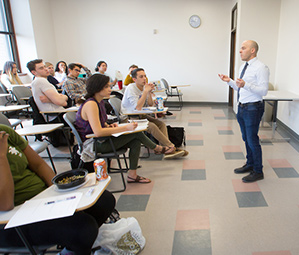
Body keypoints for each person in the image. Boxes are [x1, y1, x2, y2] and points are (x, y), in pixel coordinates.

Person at [0, 124, 116, 255]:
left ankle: (73, 246)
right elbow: (5, 204)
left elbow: (38, 165)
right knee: (83, 228)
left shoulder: (5, 133)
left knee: (104, 201)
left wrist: (57, 194)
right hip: (11, 220)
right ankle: (75, 242)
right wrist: (1, 156)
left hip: (39, 200)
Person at [75, 74, 171, 183]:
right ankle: (157, 148)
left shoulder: (99, 102)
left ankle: (132, 175)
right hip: (93, 144)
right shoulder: (91, 104)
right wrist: (125, 128)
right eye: (106, 87)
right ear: (97, 88)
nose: (110, 89)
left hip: (102, 140)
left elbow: (99, 124)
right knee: (135, 133)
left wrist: (108, 125)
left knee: (135, 140)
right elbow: (98, 132)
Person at [218, 40, 269, 183]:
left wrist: (246, 84)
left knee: (252, 139)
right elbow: (240, 87)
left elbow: (263, 91)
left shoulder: (261, 68)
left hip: (253, 108)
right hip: (242, 106)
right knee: (246, 138)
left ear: (252, 50)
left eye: (243, 48)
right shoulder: (243, 66)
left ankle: (258, 171)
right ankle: (250, 164)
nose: (240, 51)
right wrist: (229, 81)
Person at [121, 68, 188, 159]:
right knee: (152, 126)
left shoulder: (143, 87)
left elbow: (150, 104)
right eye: (141, 77)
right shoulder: (131, 88)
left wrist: (148, 92)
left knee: (161, 124)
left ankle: (165, 148)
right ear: (134, 79)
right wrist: (145, 92)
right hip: (129, 118)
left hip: (140, 115)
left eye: (145, 76)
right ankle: (171, 147)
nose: (144, 78)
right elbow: (138, 107)